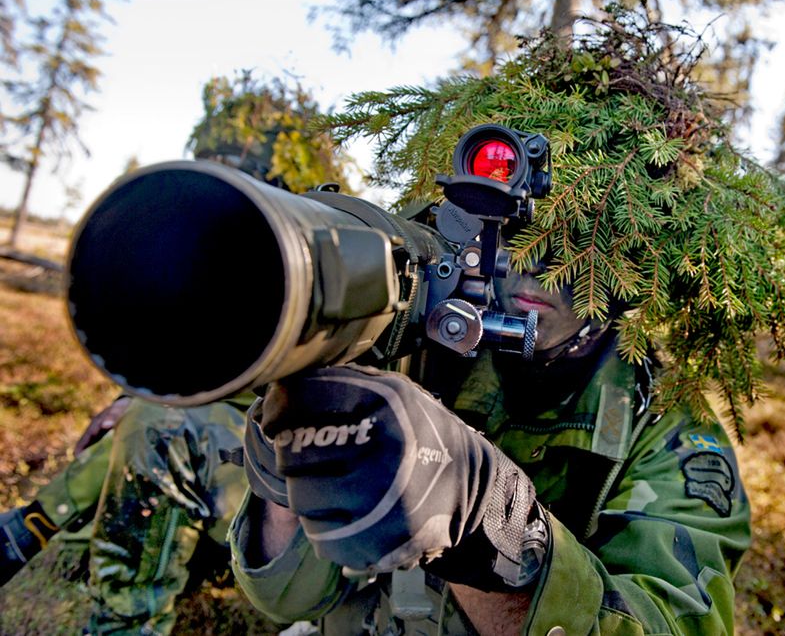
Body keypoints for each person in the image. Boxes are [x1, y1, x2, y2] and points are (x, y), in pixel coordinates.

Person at [229, 255, 751, 634]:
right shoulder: (424, 347)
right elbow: (289, 596)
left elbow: (674, 624)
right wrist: (287, 472)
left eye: (576, 241)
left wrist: (484, 529)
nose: (541, 259)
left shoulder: (663, 422)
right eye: (527, 230)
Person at [0, 394, 251, 634]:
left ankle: (26, 530)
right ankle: (29, 528)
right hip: (214, 471)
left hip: (265, 494)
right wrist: (133, 398)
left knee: (158, 426)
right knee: (149, 417)